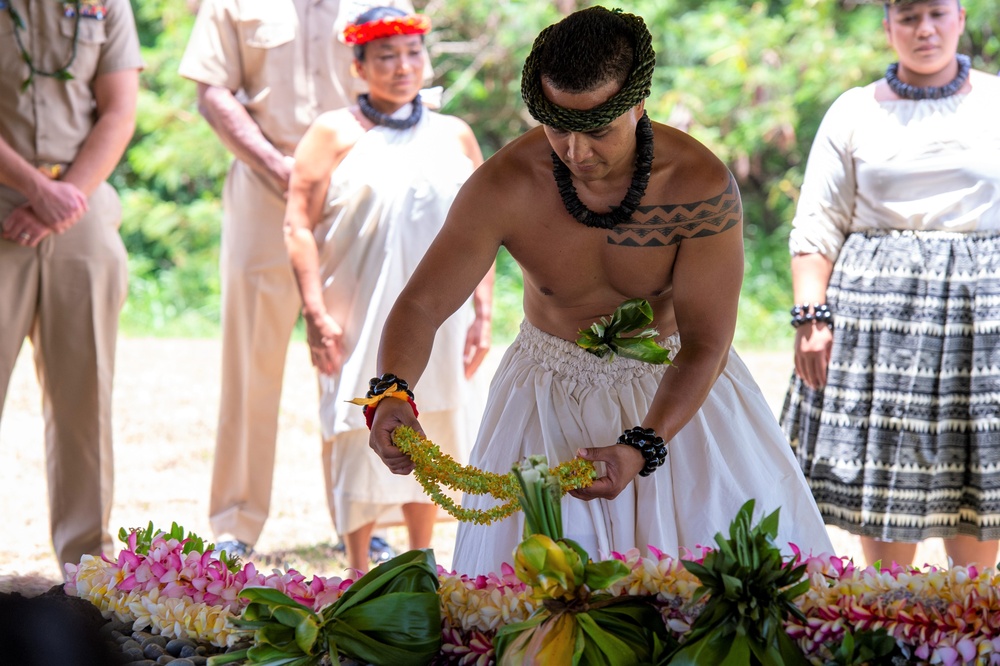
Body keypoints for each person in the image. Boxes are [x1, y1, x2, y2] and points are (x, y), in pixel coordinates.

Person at [366, 6, 834, 576]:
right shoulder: (507, 183)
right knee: (543, 609)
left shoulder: (700, 187)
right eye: (557, 127)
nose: (576, 151)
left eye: (596, 131)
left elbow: (706, 341)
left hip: (678, 397)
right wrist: (391, 392)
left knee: (705, 602)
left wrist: (643, 445)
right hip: (544, 395)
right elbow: (422, 303)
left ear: (638, 104)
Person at [178, 0, 425, 562]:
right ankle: (235, 522)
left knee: (359, 354)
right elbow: (213, 93)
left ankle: (364, 517)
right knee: (250, 362)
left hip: (360, 191)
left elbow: (407, 79)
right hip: (265, 188)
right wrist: (279, 166)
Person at [781, 0, 1000, 569]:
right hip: (879, 332)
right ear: (887, 27)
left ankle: (969, 644)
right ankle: (886, 634)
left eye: (936, 14)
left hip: (983, 327)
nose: (923, 29)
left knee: (977, 487)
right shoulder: (853, 112)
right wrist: (811, 319)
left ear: (959, 18)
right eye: (907, 17)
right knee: (885, 497)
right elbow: (817, 224)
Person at [283, 7, 492, 573]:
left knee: (438, 411)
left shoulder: (454, 133)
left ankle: (422, 557)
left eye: (412, 54)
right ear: (358, 65)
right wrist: (314, 311)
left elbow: (482, 227)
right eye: (386, 56)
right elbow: (298, 223)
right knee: (355, 419)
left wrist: (483, 308)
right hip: (356, 307)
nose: (403, 67)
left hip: (440, 313)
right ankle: (356, 567)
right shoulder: (332, 132)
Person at [0, 0, 141, 570]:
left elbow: (118, 111)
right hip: (9, 199)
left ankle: (87, 570)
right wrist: (34, 187)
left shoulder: (107, 4)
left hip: (78, 203)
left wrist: (61, 199)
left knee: (86, 396)